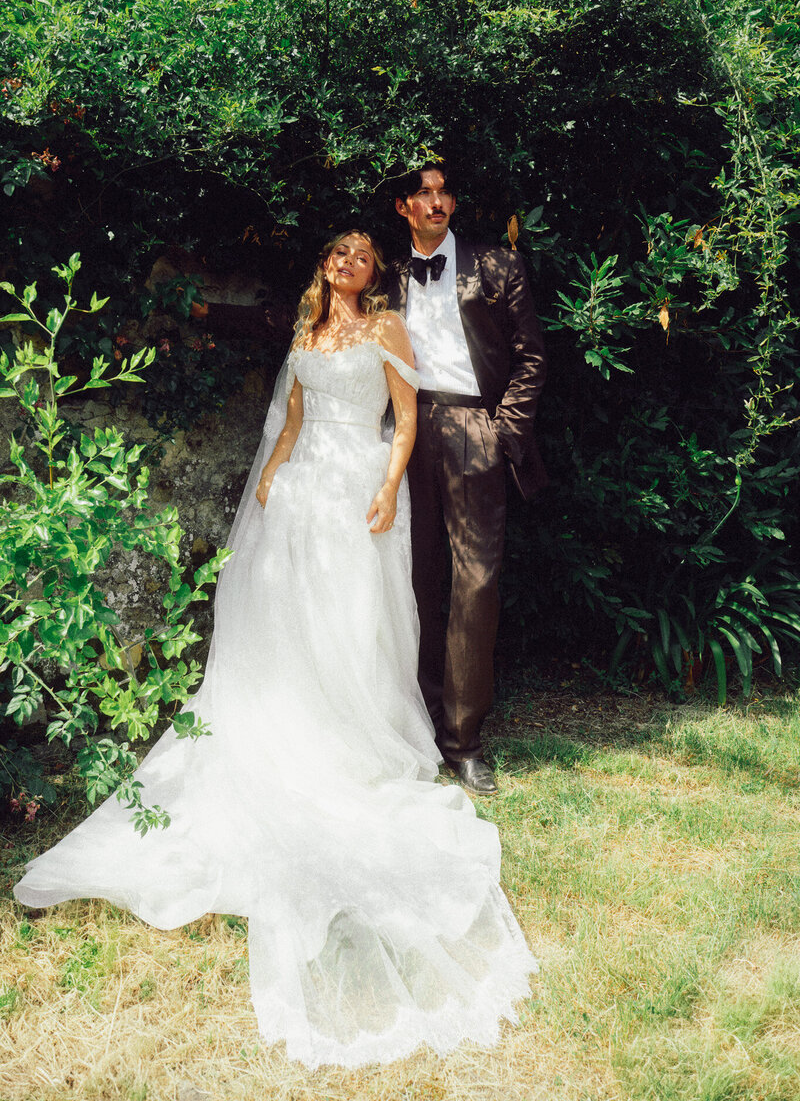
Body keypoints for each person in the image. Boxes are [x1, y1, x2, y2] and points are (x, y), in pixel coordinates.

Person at [14, 230, 536, 1069]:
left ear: (375, 273)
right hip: (300, 489)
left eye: (363, 255)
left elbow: (405, 420)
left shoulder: (386, 329)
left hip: (356, 485)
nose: (349, 261)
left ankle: (350, 728)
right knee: (286, 617)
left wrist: (387, 487)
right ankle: (288, 719)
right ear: (326, 265)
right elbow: (290, 418)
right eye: (340, 252)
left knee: (349, 619)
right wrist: (271, 473)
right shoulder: (306, 332)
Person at [386, 166, 547, 797]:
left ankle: (464, 741)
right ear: (403, 206)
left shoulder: (498, 266)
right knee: (416, 579)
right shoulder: (387, 273)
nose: (436, 202)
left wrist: (501, 432)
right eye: (423, 193)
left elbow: (532, 356)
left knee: (475, 583)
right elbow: (327, 322)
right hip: (405, 432)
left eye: (444, 192)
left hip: (474, 425)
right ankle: (421, 723)